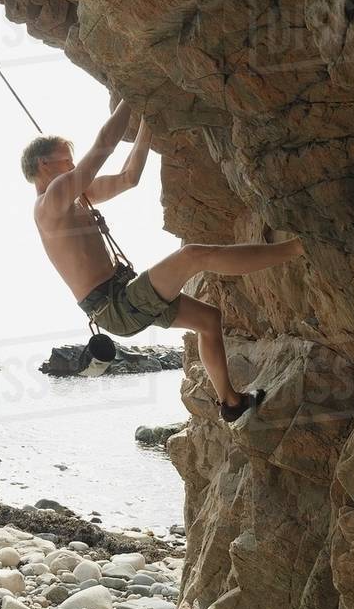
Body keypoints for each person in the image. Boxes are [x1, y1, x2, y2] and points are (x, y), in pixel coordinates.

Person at [24, 100, 304, 421]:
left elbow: (129, 177)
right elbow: (104, 144)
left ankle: (231, 403)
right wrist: (130, 97)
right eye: (67, 160)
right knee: (192, 255)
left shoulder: (75, 198)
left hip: (122, 296)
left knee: (208, 320)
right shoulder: (49, 204)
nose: (73, 166)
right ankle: (298, 248)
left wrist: (147, 120)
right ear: (44, 163)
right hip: (114, 305)